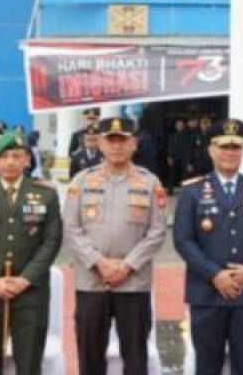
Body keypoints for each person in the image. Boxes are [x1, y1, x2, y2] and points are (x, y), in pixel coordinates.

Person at [174, 118, 243, 375]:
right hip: (206, 294)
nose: (230, 153)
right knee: (207, 366)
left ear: (242, 151)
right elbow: (183, 240)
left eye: (236, 147)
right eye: (224, 147)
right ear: (211, 151)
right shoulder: (192, 192)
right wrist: (215, 274)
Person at [62, 117, 168, 375]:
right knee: (90, 355)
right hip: (91, 281)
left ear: (134, 144)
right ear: (100, 143)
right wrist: (99, 263)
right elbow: (71, 228)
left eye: (123, 140)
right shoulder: (81, 181)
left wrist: (127, 266)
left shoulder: (150, 182)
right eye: (111, 140)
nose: (117, 146)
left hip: (133, 282)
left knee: (135, 357)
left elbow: (157, 231)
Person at [0, 130, 63, 375]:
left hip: (30, 293)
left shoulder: (46, 194)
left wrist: (25, 279)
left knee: (29, 363)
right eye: (4, 157)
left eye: (17, 156)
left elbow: (51, 241)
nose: (10, 162)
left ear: (27, 160)